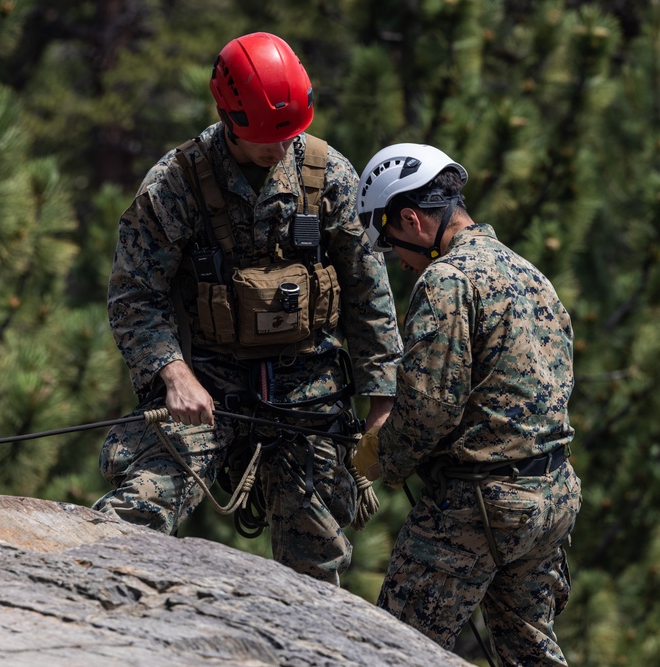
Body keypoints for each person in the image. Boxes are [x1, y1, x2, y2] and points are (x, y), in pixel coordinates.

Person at [93, 32, 403, 586]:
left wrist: (381, 397)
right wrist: (174, 375)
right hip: (208, 384)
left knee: (318, 552)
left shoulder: (327, 174)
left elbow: (367, 290)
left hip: (307, 388)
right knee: (141, 505)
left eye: (291, 135)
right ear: (226, 116)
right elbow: (135, 295)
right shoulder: (177, 185)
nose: (280, 149)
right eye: (266, 138)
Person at [352, 143, 581, 664]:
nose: (401, 264)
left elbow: (430, 408)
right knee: (529, 651)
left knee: (392, 648)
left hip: (478, 506)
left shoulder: (447, 279)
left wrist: (378, 456)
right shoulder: (529, 275)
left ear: (411, 219)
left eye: (391, 246)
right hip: (552, 498)